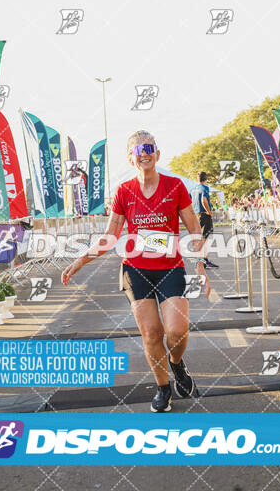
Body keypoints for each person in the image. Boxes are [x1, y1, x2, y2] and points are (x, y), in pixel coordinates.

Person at [62, 130, 211, 413]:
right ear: (131, 157)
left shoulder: (175, 186)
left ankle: (177, 365)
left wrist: (201, 263)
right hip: (136, 270)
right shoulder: (123, 191)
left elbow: (193, 226)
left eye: (150, 148)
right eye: (138, 149)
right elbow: (109, 236)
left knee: (177, 331)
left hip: (170, 268)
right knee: (152, 334)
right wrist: (80, 261)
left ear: (157, 153)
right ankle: (163, 389)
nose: (145, 153)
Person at [190, 172, 219, 269]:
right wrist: (209, 211)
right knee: (204, 238)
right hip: (204, 214)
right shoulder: (204, 188)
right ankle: (202, 260)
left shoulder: (194, 189)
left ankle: (203, 260)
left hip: (197, 214)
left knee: (201, 238)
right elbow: (204, 200)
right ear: (206, 179)